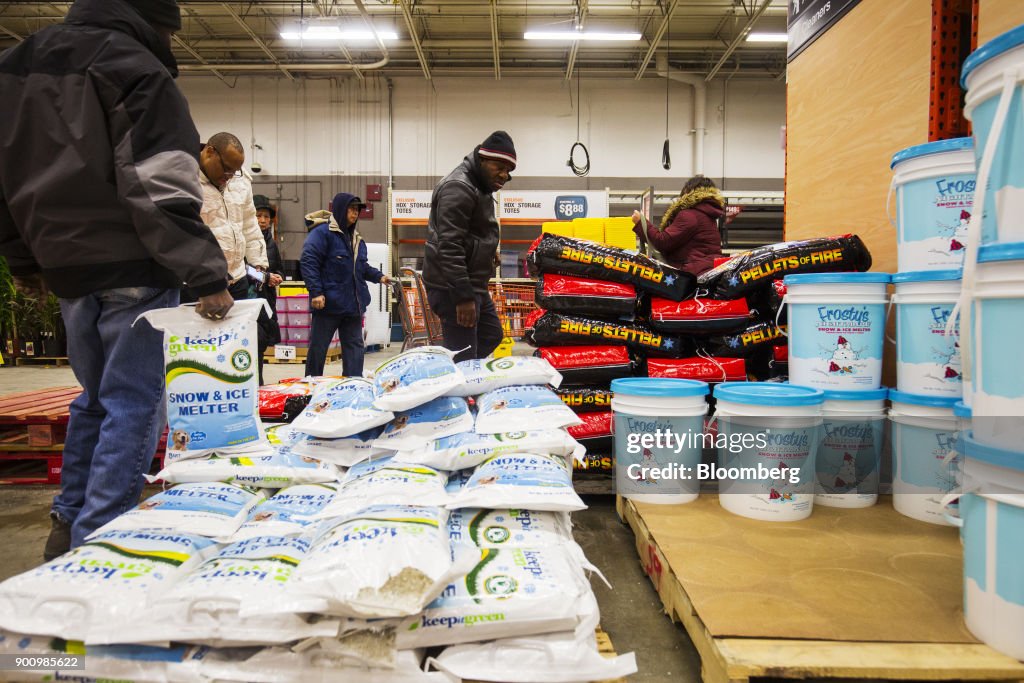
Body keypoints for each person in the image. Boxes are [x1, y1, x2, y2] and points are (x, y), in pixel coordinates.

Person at [0, 0, 234, 558]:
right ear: (150, 22)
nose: (170, 47)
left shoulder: (13, 67)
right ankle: (98, 544)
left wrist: (23, 260)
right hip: (132, 260)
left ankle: (69, 518)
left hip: (65, 267)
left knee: (96, 398)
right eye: (169, 34)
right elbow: (159, 184)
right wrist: (205, 272)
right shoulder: (134, 67)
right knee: (134, 403)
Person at [422, 131, 515, 362]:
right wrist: (463, 298)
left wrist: (486, 250)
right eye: (499, 167)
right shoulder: (459, 187)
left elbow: (470, 231)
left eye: (508, 171)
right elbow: (450, 245)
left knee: (492, 334)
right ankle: (453, 386)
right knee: (464, 356)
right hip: (453, 288)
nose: (504, 175)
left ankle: (451, 369)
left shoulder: (479, 185)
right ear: (482, 160)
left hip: (472, 283)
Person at [300, 192, 392, 377]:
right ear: (341, 209)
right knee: (319, 348)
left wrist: (380, 276)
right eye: (351, 208)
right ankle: (310, 384)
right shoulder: (322, 234)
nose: (355, 213)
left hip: (353, 305)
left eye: (357, 209)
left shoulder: (356, 239)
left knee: (355, 348)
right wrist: (316, 292)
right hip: (328, 305)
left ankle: (353, 384)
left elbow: (360, 267)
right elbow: (309, 261)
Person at [192, 132, 269, 301]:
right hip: (200, 284)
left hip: (237, 279)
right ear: (209, 152)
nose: (230, 177)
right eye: (226, 169)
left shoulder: (240, 181)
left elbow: (249, 224)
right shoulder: (185, 179)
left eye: (235, 171)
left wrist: (258, 263)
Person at [632, 174, 725, 276]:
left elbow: (663, 241)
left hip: (691, 276)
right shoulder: (706, 215)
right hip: (705, 272)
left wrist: (641, 222)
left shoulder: (690, 215)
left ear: (688, 192)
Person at [253, 195, 284, 385]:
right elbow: (240, 268)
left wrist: (277, 276)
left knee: (262, 343)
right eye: (258, 216)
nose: (263, 221)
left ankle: (259, 385)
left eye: (266, 217)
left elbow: (278, 268)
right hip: (246, 301)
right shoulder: (242, 240)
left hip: (266, 301)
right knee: (252, 344)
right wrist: (265, 277)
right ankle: (254, 385)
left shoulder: (271, 243)